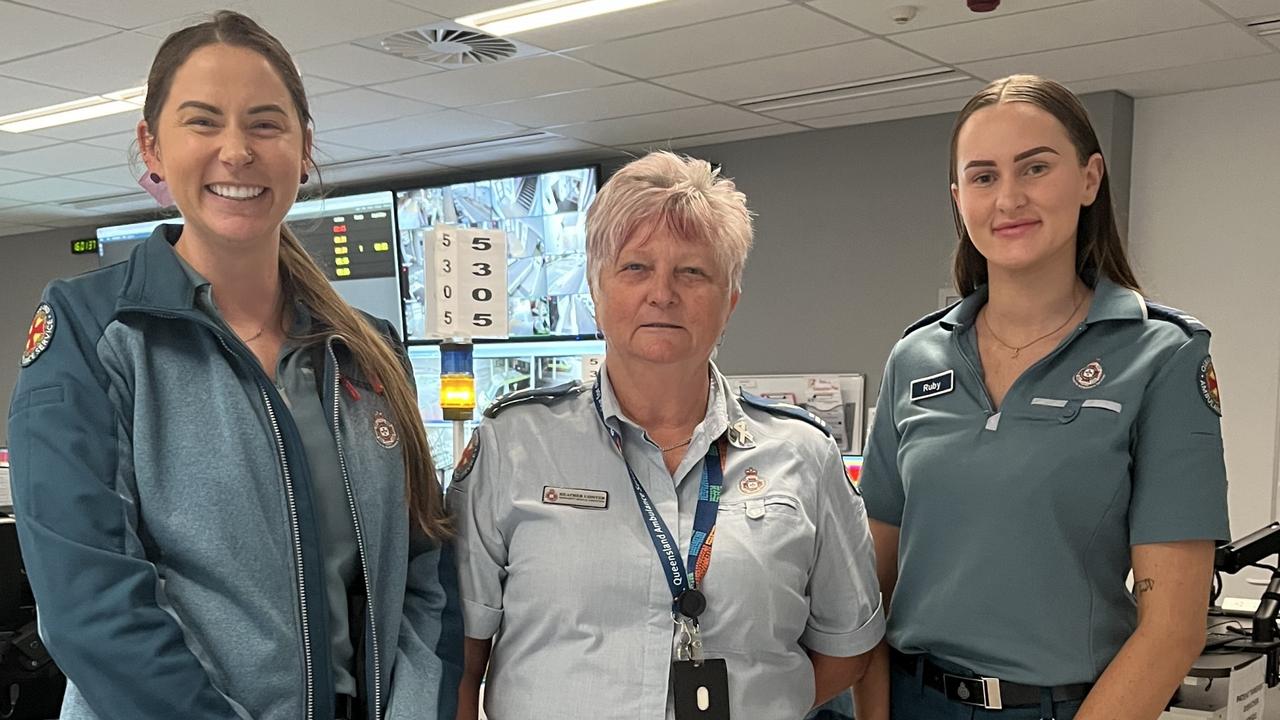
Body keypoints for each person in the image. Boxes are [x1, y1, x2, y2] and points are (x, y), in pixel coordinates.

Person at [6, 12, 461, 720]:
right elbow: (91, 608)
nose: (237, 151)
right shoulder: (93, 333)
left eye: (265, 124)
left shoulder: (368, 352)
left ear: (304, 148)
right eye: (202, 122)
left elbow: (425, 572)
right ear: (152, 148)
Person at [450, 151, 887, 719]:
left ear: (729, 302)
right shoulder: (513, 445)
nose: (662, 293)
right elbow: (461, 660)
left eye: (693, 272)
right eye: (635, 268)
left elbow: (849, 647)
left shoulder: (804, 455)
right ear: (594, 290)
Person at [859, 74, 1229, 719]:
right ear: (958, 197)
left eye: (1035, 167)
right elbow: (867, 595)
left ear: (1089, 180)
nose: (1008, 198)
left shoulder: (1161, 356)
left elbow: (1173, 628)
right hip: (914, 700)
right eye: (982, 176)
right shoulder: (914, 357)